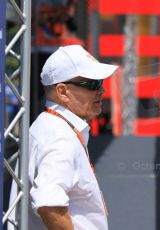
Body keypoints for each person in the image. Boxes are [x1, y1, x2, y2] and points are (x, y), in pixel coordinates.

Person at [28, 45, 118, 229]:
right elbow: (49, 204)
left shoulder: (51, 126)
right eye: (92, 84)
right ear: (62, 92)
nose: (102, 90)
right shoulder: (60, 136)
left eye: (100, 81)